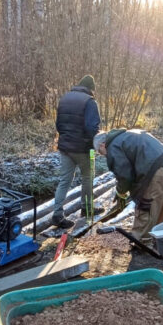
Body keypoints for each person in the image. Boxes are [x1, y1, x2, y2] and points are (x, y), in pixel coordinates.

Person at [94, 129, 163, 243]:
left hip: (156, 171)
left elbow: (125, 176)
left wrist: (121, 192)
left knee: (145, 206)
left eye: (100, 151)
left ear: (102, 145)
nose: (103, 154)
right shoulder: (128, 135)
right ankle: (162, 239)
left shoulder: (113, 146)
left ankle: (141, 242)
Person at [51, 74, 101, 229]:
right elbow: (92, 127)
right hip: (85, 149)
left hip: (65, 147)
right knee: (88, 177)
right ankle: (87, 208)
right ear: (91, 88)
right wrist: (92, 144)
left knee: (64, 180)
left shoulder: (65, 98)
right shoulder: (90, 102)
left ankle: (57, 214)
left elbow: (58, 124)